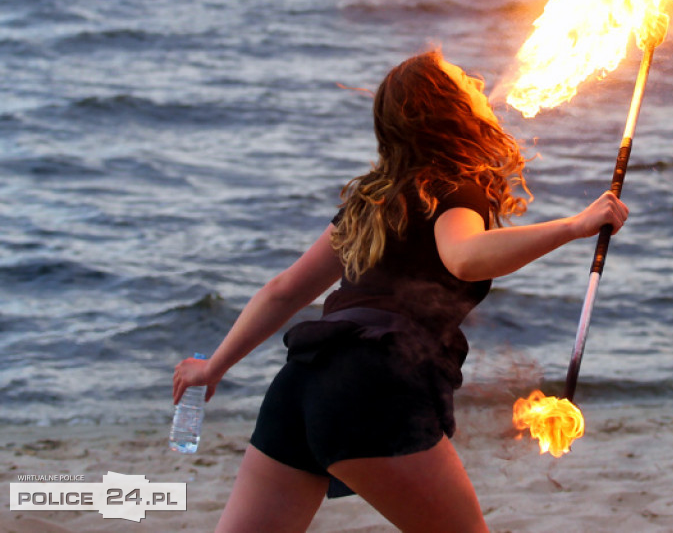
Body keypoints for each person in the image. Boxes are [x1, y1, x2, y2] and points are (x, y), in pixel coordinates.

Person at [172, 50, 629, 533]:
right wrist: (575, 226)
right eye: (463, 80)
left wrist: (214, 366)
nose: (477, 83)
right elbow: (465, 256)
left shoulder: (372, 201)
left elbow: (283, 291)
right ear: (449, 109)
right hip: (374, 385)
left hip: (301, 385)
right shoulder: (457, 188)